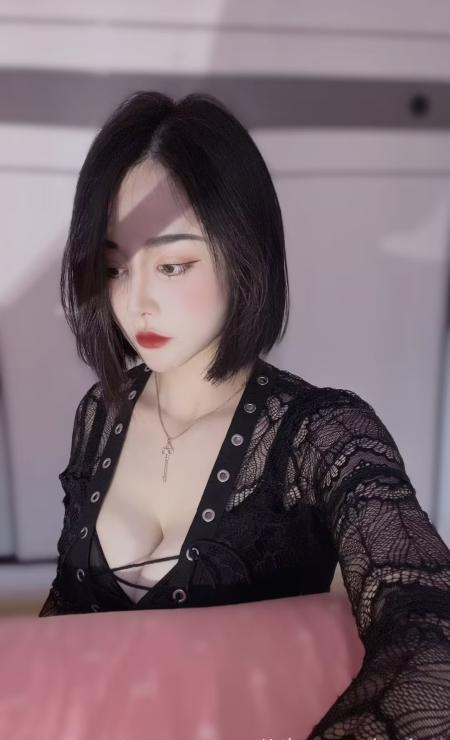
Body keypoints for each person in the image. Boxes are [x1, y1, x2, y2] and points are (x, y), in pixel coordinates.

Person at [38, 90, 450, 738]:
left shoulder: (322, 433)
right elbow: (65, 618)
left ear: (244, 250)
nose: (137, 302)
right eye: (115, 268)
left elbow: (432, 636)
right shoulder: (99, 414)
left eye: (173, 265)